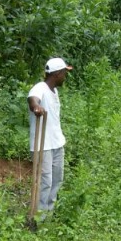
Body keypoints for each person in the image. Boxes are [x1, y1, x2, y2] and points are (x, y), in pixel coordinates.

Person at [27, 57, 73, 214]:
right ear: (57, 74)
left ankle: (48, 214)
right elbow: (33, 98)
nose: (65, 77)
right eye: (64, 73)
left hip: (57, 143)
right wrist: (36, 107)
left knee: (56, 180)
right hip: (43, 144)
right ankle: (37, 216)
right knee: (45, 181)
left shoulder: (54, 91)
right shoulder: (40, 87)